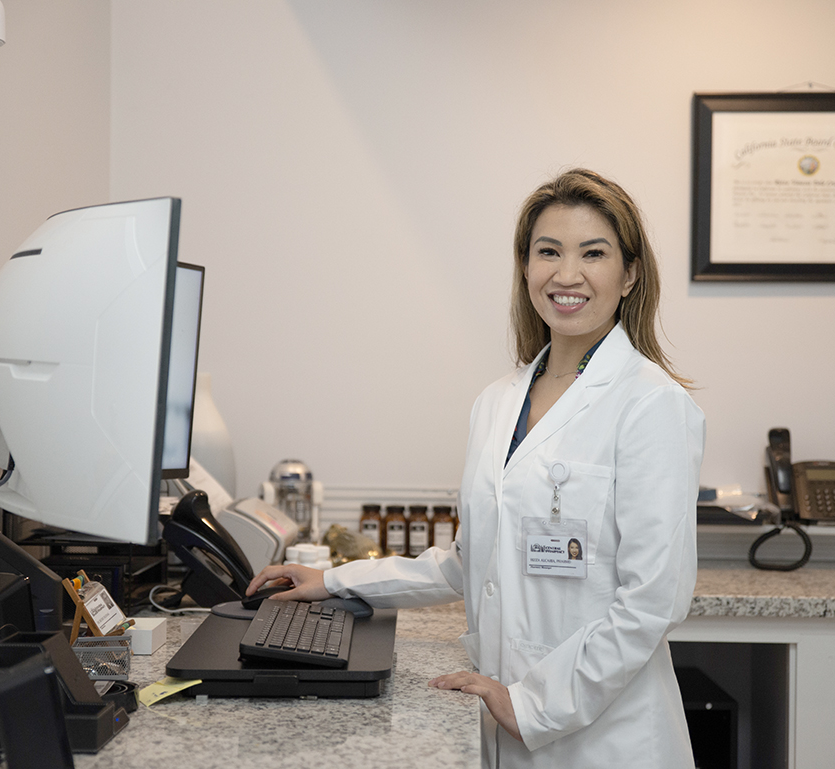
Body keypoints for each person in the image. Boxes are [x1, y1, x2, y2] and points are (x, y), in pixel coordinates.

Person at [246, 168, 705, 768]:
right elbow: (473, 562)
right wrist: (334, 583)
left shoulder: (653, 404)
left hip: (605, 737)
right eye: (549, 252)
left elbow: (652, 601)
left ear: (630, 273)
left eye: (594, 253)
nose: (567, 275)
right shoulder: (497, 401)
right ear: (525, 266)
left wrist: (537, 705)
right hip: (503, 713)